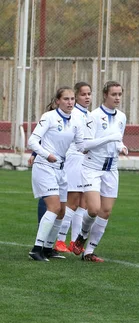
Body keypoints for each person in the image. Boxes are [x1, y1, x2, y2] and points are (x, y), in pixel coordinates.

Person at [71, 81, 128, 262]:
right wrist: (110, 138)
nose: (117, 98)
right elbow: (85, 145)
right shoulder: (93, 116)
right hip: (92, 168)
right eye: (114, 94)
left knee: (106, 211)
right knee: (94, 209)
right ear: (105, 95)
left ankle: (89, 251)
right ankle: (82, 235)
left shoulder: (121, 117)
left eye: (119, 94)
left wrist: (121, 146)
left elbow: (118, 140)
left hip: (111, 168)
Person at [27, 87, 84, 261]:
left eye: (72, 99)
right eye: (66, 99)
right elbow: (32, 141)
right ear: (57, 101)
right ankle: (36, 249)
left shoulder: (76, 120)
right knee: (53, 207)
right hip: (44, 166)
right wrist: (46, 155)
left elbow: (82, 145)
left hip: (61, 169)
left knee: (61, 212)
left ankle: (48, 248)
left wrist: (110, 144)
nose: (70, 102)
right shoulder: (49, 117)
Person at [54, 82, 93, 253]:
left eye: (89, 94)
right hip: (74, 159)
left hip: (87, 160)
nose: (87, 97)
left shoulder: (89, 115)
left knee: (83, 202)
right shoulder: (74, 114)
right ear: (76, 96)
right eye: (84, 94)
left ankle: (74, 241)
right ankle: (60, 240)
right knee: (73, 200)